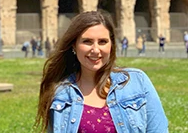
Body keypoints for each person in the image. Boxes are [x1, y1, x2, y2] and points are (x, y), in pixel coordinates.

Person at [35, 11, 168, 133]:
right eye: (87, 41)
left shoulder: (137, 82)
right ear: (74, 45)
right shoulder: (60, 93)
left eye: (103, 42)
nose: (96, 49)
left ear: (111, 45)